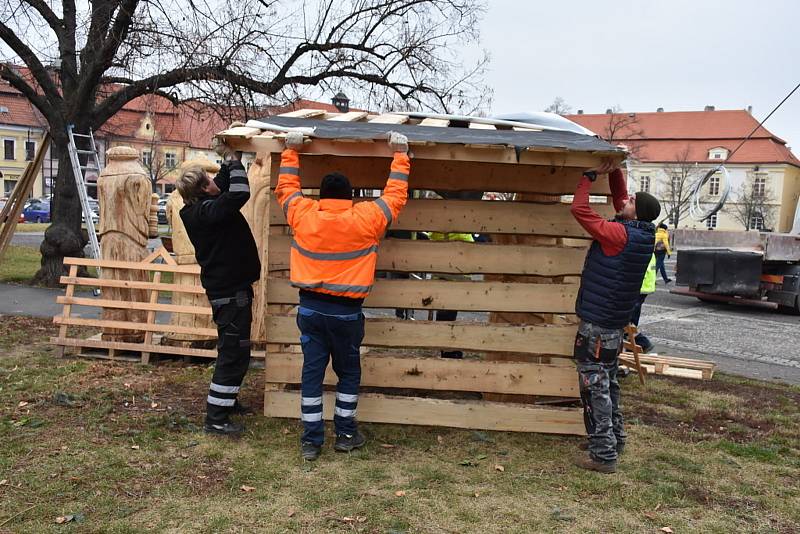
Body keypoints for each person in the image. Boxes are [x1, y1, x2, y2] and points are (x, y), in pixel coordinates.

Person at [275, 130, 410, 461]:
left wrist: (291, 150)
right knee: (348, 372)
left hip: (310, 311)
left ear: (321, 195)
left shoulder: (304, 214)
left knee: (312, 373)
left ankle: (311, 440)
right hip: (347, 314)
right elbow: (395, 197)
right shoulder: (365, 217)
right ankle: (346, 434)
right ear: (350, 196)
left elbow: (286, 190)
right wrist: (401, 155)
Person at [570, 163, 661, 474]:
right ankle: (615, 440)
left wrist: (588, 177)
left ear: (635, 213)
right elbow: (621, 197)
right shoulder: (642, 233)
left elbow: (580, 210)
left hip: (596, 324)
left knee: (593, 386)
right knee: (607, 381)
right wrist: (614, 170)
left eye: (631, 202)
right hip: (612, 323)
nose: (624, 201)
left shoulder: (618, 235)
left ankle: (603, 454)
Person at [176, 144, 260, 437]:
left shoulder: (203, 206)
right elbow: (239, 193)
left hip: (231, 291)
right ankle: (215, 418)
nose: (215, 182)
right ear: (202, 190)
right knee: (232, 353)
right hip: (230, 294)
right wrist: (236, 163)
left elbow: (222, 185)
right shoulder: (207, 212)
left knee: (237, 350)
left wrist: (227, 163)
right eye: (209, 181)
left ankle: (228, 401)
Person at [629, 253, 657, 353]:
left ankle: (642, 343)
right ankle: (632, 345)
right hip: (644, 287)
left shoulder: (640, 248)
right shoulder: (648, 247)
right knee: (632, 319)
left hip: (639, 287)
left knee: (628, 321)